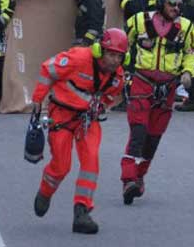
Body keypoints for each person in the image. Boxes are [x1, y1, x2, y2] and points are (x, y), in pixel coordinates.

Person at [31, 28, 126, 234]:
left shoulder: (117, 76)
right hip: (62, 116)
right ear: (100, 50)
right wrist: (38, 101)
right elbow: (48, 69)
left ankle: (82, 211)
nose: (114, 60)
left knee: (91, 160)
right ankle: (45, 192)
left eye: (119, 56)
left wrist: (101, 106)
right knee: (61, 166)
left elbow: (112, 95)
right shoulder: (78, 58)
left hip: (87, 119)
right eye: (110, 54)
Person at [120, 0, 194, 205]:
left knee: (153, 137)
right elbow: (123, 44)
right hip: (142, 82)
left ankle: (139, 176)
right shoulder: (138, 21)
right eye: (171, 3)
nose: (175, 8)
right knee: (138, 131)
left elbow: (191, 52)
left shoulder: (187, 28)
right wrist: (123, 69)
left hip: (168, 87)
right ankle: (127, 179)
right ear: (160, 2)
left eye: (179, 4)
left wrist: (187, 71)